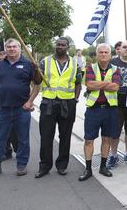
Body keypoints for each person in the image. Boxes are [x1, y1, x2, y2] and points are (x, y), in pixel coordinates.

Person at [0, 39, 41, 178]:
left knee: (23, 139)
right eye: (9, 47)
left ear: (20, 48)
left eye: (14, 46)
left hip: (21, 109)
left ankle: (21, 165)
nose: (11, 49)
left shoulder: (29, 65)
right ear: (6, 48)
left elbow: (37, 85)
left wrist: (30, 101)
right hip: (3, 109)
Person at [36, 37, 82, 178]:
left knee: (65, 136)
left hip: (67, 104)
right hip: (48, 103)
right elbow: (37, 81)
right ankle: (44, 166)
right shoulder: (45, 61)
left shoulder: (75, 64)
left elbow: (78, 83)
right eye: (58, 44)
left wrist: (75, 99)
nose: (60, 46)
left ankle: (62, 165)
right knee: (46, 136)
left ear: (68, 47)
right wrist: (36, 70)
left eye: (63, 45)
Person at [79, 43, 121, 181]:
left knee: (106, 138)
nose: (103, 55)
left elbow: (115, 87)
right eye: (100, 52)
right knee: (89, 140)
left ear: (110, 55)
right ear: (97, 54)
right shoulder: (90, 67)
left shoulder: (116, 69)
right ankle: (88, 168)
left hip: (110, 109)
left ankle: (103, 166)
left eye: (106, 52)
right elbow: (89, 84)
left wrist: (98, 83)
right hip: (93, 109)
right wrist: (106, 84)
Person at [108, 40, 127, 167]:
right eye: (124, 47)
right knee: (115, 130)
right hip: (116, 101)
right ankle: (113, 155)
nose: (126, 49)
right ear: (119, 49)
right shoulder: (113, 62)